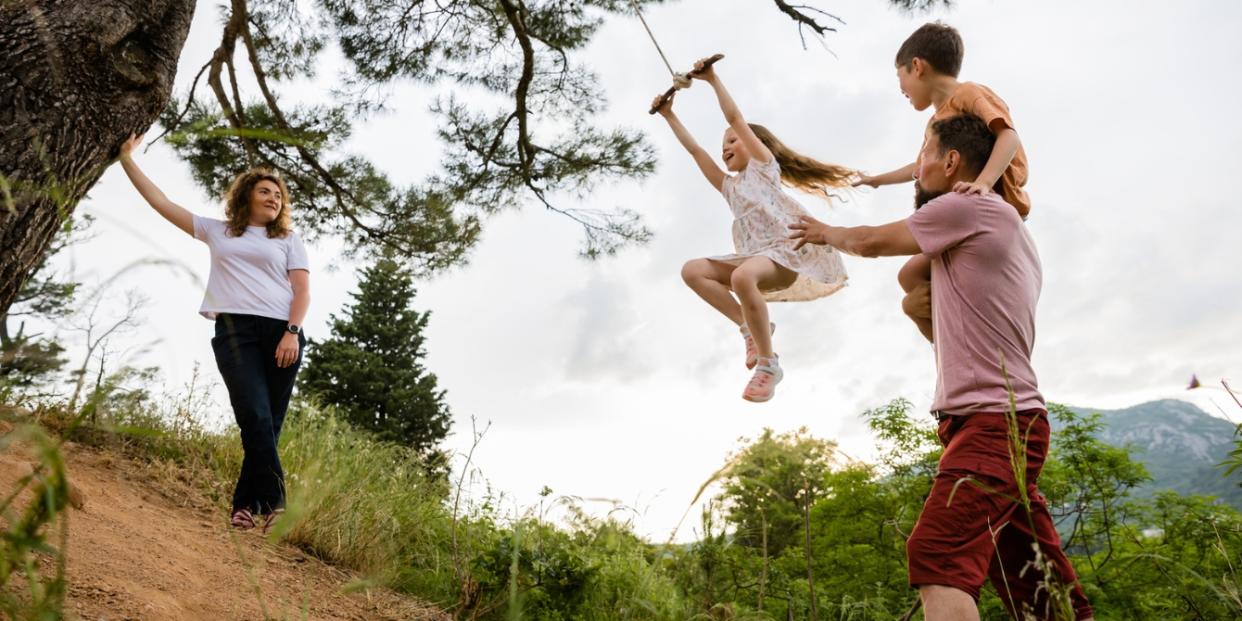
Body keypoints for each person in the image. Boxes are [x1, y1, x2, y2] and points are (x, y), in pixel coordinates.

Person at [789, 115, 1093, 621]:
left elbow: (869, 243)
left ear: (952, 162)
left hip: (995, 423)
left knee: (937, 556)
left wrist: (824, 232)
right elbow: (912, 279)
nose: (916, 168)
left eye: (924, 153)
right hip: (996, 423)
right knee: (1037, 587)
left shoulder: (970, 206)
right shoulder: (1001, 227)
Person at [117, 134, 310, 533]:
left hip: (282, 332)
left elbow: (302, 291)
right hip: (235, 332)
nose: (274, 198)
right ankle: (275, 505)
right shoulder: (219, 231)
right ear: (246, 196)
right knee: (254, 416)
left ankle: (244, 505)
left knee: (267, 425)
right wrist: (126, 160)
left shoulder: (288, 240)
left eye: (278, 195)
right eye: (265, 191)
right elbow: (161, 202)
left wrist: (292, 332)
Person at [652, 58, 852, 402]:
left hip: (783, 255)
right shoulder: (730, 188)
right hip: (754, 257)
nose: (725, 146)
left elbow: (734, 118)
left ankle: (768, 364)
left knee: (742, 277)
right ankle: (748, 327)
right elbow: (696, 151)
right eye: (724, 144)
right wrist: (670, 115)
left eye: (733, 141)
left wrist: (712, 80)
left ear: (754, 144)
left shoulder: (763, 167)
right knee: (693, 271)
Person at [855, 22, 1029, 343]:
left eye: (900, 77)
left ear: (917, 66)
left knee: (913, 274)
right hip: (961, 216)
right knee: (909, 275)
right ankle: (955, 337)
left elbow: (1008, 135)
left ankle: (968, 333)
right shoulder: (935, 123)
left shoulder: (968, 94)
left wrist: (984, 183)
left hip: (995, 207)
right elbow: (920, 167)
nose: (901, 88)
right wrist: (877, 181)